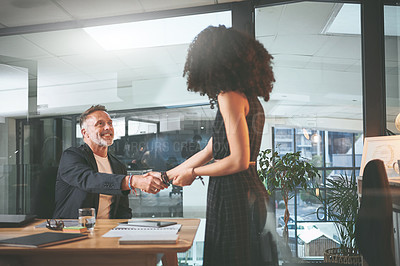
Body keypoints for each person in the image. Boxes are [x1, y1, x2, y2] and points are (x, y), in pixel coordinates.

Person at [149, 26, 278, 266]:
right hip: (247, 189)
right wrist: (167, 176)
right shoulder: (248, 97)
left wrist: (193, 173)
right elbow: (210, 149)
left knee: (230, 258)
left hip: (233, 192)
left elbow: (237, 160)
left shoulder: (228, 96)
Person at [53, 105, 167, 219]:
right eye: (100, 124)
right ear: (85, 133)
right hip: (72, 231)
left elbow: (122, 209)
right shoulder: (71, 156)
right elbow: (89, 180)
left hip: (107, 232)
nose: (108, 127)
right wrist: (131, 181)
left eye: (110, 123)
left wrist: (123, 230)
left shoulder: (118, 166)